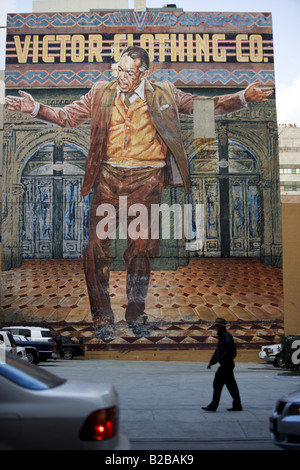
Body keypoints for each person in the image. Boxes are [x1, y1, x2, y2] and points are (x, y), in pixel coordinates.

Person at [5, 46, 273, 340]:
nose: (120, 77)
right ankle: (103, 318)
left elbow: (203, 109)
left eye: (128, 72)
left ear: (144, 73)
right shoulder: (100, 91)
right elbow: (67, 116)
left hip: (147, 181)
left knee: (142, 251)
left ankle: (135, 314)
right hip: (107, 179)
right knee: (95, 250)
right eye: (118, 69)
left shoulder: (165, 92)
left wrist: (243, 97)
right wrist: (33, 108)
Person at [202, 317, 243, 411]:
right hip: (226, 364)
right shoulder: (222, 335)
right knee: (231, 385)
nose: (215, 327)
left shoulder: (226, 336)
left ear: (220, 326)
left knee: (217, 384)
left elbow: (231, 350)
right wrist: (212, 362)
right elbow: (218, 350)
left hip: (226, 365)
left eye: (216, 325)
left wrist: (222, 358)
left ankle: (213, 405)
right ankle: (237, 405)